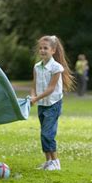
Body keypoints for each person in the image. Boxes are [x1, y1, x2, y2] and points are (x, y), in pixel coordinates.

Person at [30, 35, 74, 171]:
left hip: (53, 104)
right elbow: (34, 85)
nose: (42, 50)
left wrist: (35, 99)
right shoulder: (37, 67)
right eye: (41, 48)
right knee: (44, 132)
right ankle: (48, 162)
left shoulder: (56, 68)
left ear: (53, 50)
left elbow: (51, 89)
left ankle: (56, 162)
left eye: (46, 48)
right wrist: (32, 96)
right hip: (42, 104)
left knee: (48, 133)